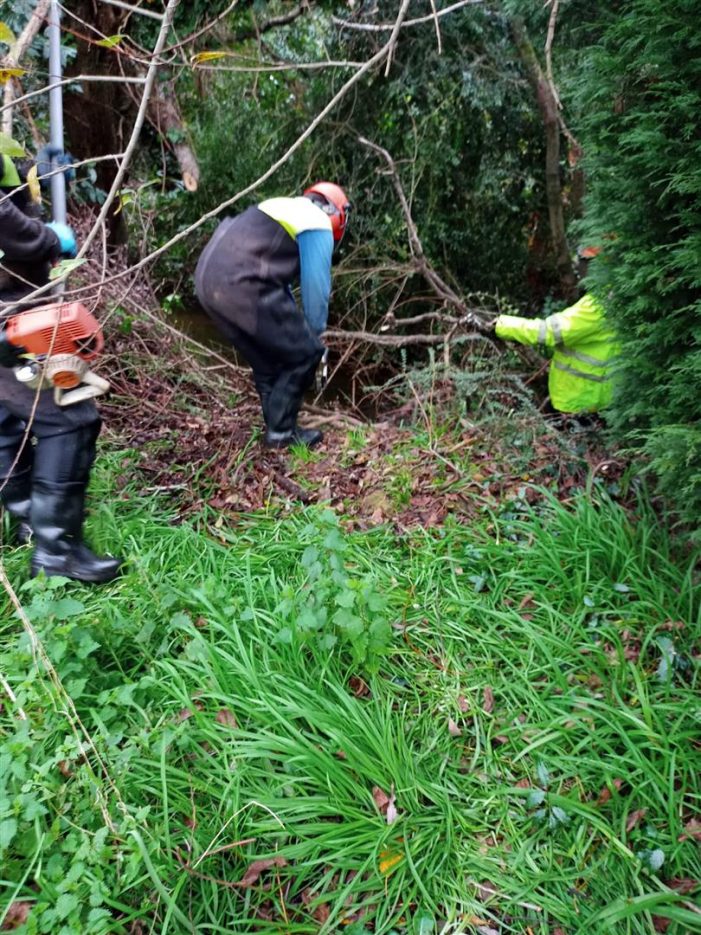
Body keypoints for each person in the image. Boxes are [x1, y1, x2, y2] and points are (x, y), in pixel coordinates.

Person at [0, 153, 122, 583]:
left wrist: (39, 169)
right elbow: (13, 228)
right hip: (7, 322)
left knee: (3, 424)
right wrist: (49, 240)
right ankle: (56, 555)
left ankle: (28, 519)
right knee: (70, 419)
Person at [195, 181, 351, 448]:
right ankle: (282, 434)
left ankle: (275, 427)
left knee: (267, 360)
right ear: (338, 214)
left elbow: (279, 287)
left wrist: (294, 332)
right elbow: (316, 293)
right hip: (242, 283)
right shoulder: (318, 222)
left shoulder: (283, 208)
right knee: (304, 354)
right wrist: (313, 341)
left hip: (208, 281)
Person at [491, 247, 618, 414]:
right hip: (592, 399)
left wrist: (502, 324)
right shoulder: (615, 295)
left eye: (584, 264)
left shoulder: (598, 305)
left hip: (579, 401)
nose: (579, 270)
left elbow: (550, 332)